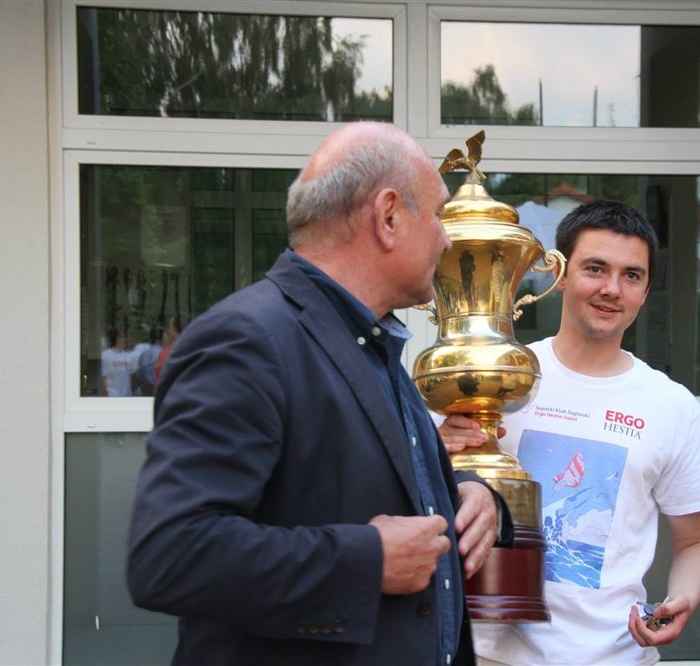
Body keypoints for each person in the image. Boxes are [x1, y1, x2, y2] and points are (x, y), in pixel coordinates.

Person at [127, 121, 512, 666]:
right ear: (388, 216)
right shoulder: (247, 340)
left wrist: (473, 493)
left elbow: (367, 480)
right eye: (437, 214)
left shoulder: (372, 342)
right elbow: (171, 555)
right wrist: (367, 561)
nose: (447, 239)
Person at [440, 200, 700, 665]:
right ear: (560, 274)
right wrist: (440, 450)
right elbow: (421, 501)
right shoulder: (498, 378)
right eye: (595, 268)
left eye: (631, 275)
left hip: (615, 656)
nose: (612, 289)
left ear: (645, 291)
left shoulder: (672, 406)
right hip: (491, 654)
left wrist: (683, 597)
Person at [100, 327, 134, 396]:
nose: (125, 340)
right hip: (112, 394)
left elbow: (132, 375)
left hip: (126, 394)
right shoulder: (106, 355)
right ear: (115, 339)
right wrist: (104, 393)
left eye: (125, 337)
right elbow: (103, 376)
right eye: (122, 337)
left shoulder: (129, 356)